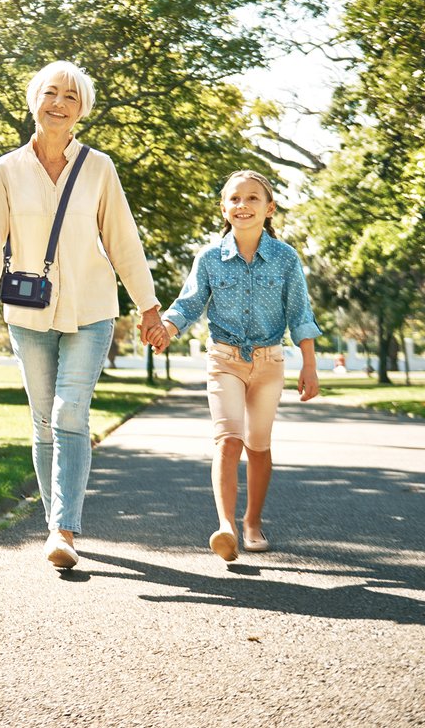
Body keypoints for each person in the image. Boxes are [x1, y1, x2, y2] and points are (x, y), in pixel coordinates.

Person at [0, 61, 162, 570]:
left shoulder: (99, 168)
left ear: (82, 111)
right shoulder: (5, 171)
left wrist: (148, 307)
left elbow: (123, 241)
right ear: (34, 101)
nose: (59, 103)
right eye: (50, 93)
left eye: (70, 97)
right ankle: (59, 521)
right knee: (43, 421)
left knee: (69, 412)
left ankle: (62, 529)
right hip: (28, 313)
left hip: (92, 307)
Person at [151, 170, 320, 561]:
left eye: (253, 199)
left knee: (258, 446)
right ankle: (225, 526)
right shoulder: (209, 258)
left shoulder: (285, 258)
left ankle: (252, 522)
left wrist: (308, 364)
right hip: (224, 359)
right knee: (228, 439)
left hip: (268, 361)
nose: (243, 205)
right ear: (224, 208)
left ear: (270, 208)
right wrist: (167, 329)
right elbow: (189, 302)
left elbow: (300, 314)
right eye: (235, 199)